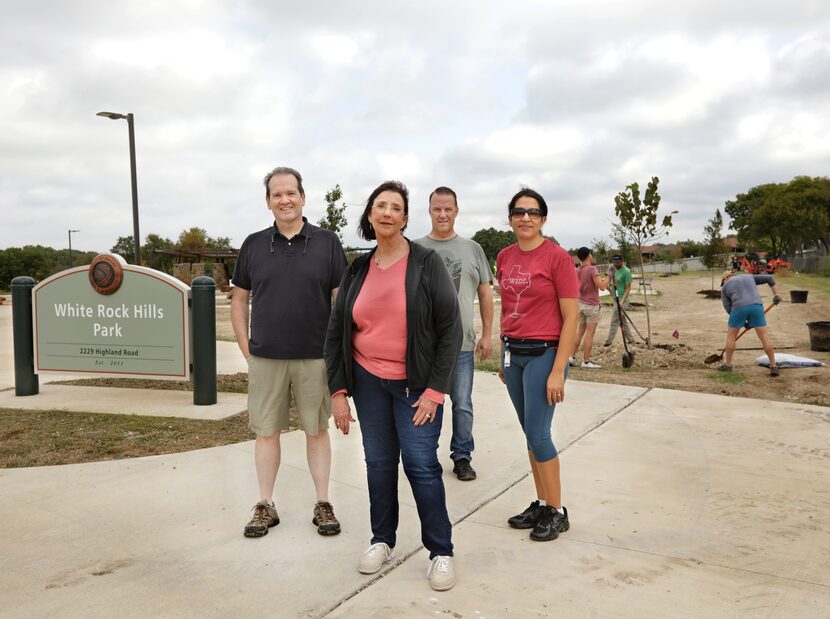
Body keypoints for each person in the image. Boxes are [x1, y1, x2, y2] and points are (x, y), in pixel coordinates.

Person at [325, 180, 462, 591]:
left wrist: (436, 390)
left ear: (404, 218)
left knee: (421, 466)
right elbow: (336, 333)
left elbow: (450, 329)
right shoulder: (357, 268)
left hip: (415, 387)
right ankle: (382, 540)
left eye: (395, 207)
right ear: (370, 215)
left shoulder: (426, 263)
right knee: (379, 464)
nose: (386, 212)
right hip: (367, 383)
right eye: (379, 205)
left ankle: (440, 551)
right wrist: (338, 391)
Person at [232, 166, 347, 539]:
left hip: (315, 357)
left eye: (291, 193)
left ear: (303, 197)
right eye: (277, 194)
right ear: (268, 202)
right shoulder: (252, 245)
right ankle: (265, 504)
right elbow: (239, 298)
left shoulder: (328, 242)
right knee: (267, 432)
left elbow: (339, 299)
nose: (285, 199)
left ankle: (322, 502)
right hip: (266, 357)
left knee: (316, 431)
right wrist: (245, 347)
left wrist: (337, 350)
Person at [496, 188, 579, 542]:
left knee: (539, 434)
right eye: (518, 211)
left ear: (543, 219)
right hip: (514, 354)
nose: (525, 217)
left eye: (533, 212)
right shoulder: (503, 256)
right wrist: (502, 353)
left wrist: (559, 369)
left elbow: (571, 317)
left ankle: (558, 511)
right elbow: (506, 308)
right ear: (511, 217)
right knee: (529, 433)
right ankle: (543, 502)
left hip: (546, 353)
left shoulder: (557, 258)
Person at [414, 186, 494, 481]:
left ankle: (462, 456)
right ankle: (425, 456)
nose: (443, 214)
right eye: (437, 209)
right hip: (425, 346)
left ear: (457, 211)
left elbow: (485, 294)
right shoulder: (416, 249)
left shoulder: (473, 249)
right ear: (430, 211)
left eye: (448, 209)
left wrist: (487, 334)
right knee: (425, 401)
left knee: (462, 403)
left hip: (461, 345)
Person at [718, 271, 782, 376]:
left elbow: (728, 308)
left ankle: (728, 365)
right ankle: (774, 366)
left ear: (725, 278)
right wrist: (776, 294)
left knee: (731, 336)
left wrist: (743, 322)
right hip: (756, 306)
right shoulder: (749, 276)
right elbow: (769, 278)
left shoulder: (724, 287)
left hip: (738, 307)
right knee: (764, 336)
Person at [569, 247, 609, 369]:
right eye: (591, 254)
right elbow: (602, 286)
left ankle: (571, 356)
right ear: (588, 255)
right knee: (590, 334)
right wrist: (609, 276)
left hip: (580, 304)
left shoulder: (577, 270)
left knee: (580, 331)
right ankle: (586, 361)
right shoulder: (592, 269)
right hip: (591, 305)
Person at [603, 254, 635, 347]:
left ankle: (608, 342)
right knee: (623, 321)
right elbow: (608, 283)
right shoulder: (612, 269)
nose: (616, 264)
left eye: (618, 263)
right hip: (615, 299)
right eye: (614, 263)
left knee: (615, 320)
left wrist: (622, 301)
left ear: (622, 261)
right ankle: (631, 340)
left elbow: (628, 288)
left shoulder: (626, 272)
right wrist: (610, 292)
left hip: (623, 300)